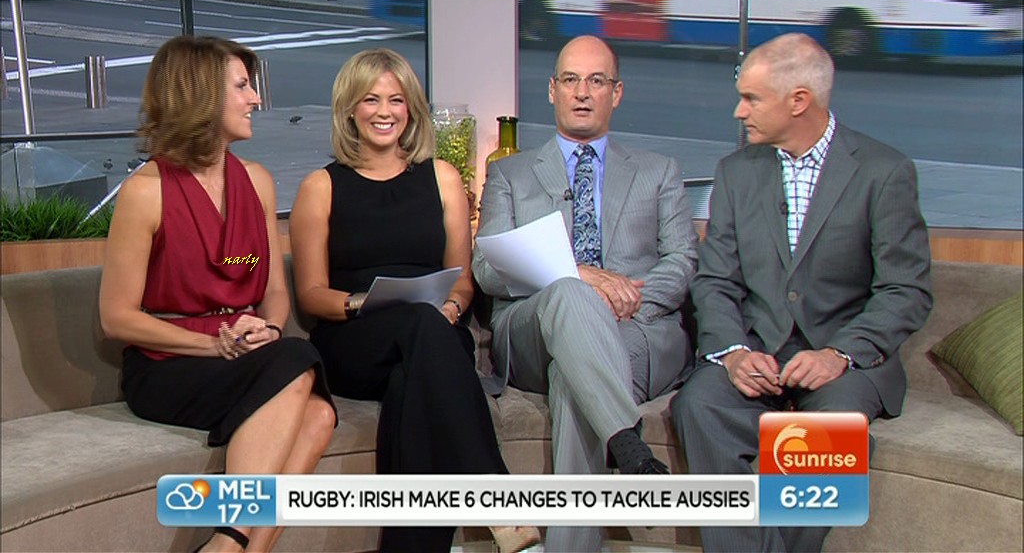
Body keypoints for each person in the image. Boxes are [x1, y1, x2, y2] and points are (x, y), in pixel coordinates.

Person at [670, 32, 933, 552]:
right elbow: (716, 280)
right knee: (698, 405)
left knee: (831, 427)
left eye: (751, 98)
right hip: (758, 354)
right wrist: (733, 352)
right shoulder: (735, 173)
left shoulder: (883, 172)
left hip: (844, 363)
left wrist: (839, 353)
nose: (739, 111)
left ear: (798, 101)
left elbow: (906, 289)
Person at [288, 47, 540, 553]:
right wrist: (365, 303)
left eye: (396, 100)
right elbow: (311, 294)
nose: (384, 111)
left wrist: (452, 308)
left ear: (412, 109)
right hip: (354, 337)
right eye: (371, 99)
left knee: (413, 381)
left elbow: (462, 279)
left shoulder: (443, 178)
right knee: (419, 326)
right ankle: (500, 499)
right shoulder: (321, 187)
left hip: (434, 332)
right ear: (350, 110)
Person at [98, 35, 338, 553]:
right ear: (201, 95)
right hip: (167, 364)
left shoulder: (259, 181)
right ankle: (228, 541)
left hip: (245, 352)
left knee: (319, 411)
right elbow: (116, 318)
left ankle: (236, 549)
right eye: (243, 86)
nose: (256, 99)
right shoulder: (146, 190)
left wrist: (266, 328)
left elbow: (273, 290)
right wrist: (214, 345)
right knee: (298, 360)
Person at [472, 35, 699, 552]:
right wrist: (578, 276)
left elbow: (683, 260)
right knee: (570, 296)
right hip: (534, 329)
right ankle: (628, 441)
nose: (582, 92)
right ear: (552, 90)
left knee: (573, 378)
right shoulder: (508, 173)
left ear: (616, 93)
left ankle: (611, 468)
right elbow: (487, 268)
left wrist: (624, 300)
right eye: (571, 80)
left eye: (596, 81)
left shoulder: (658, 171)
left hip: (633, 329)